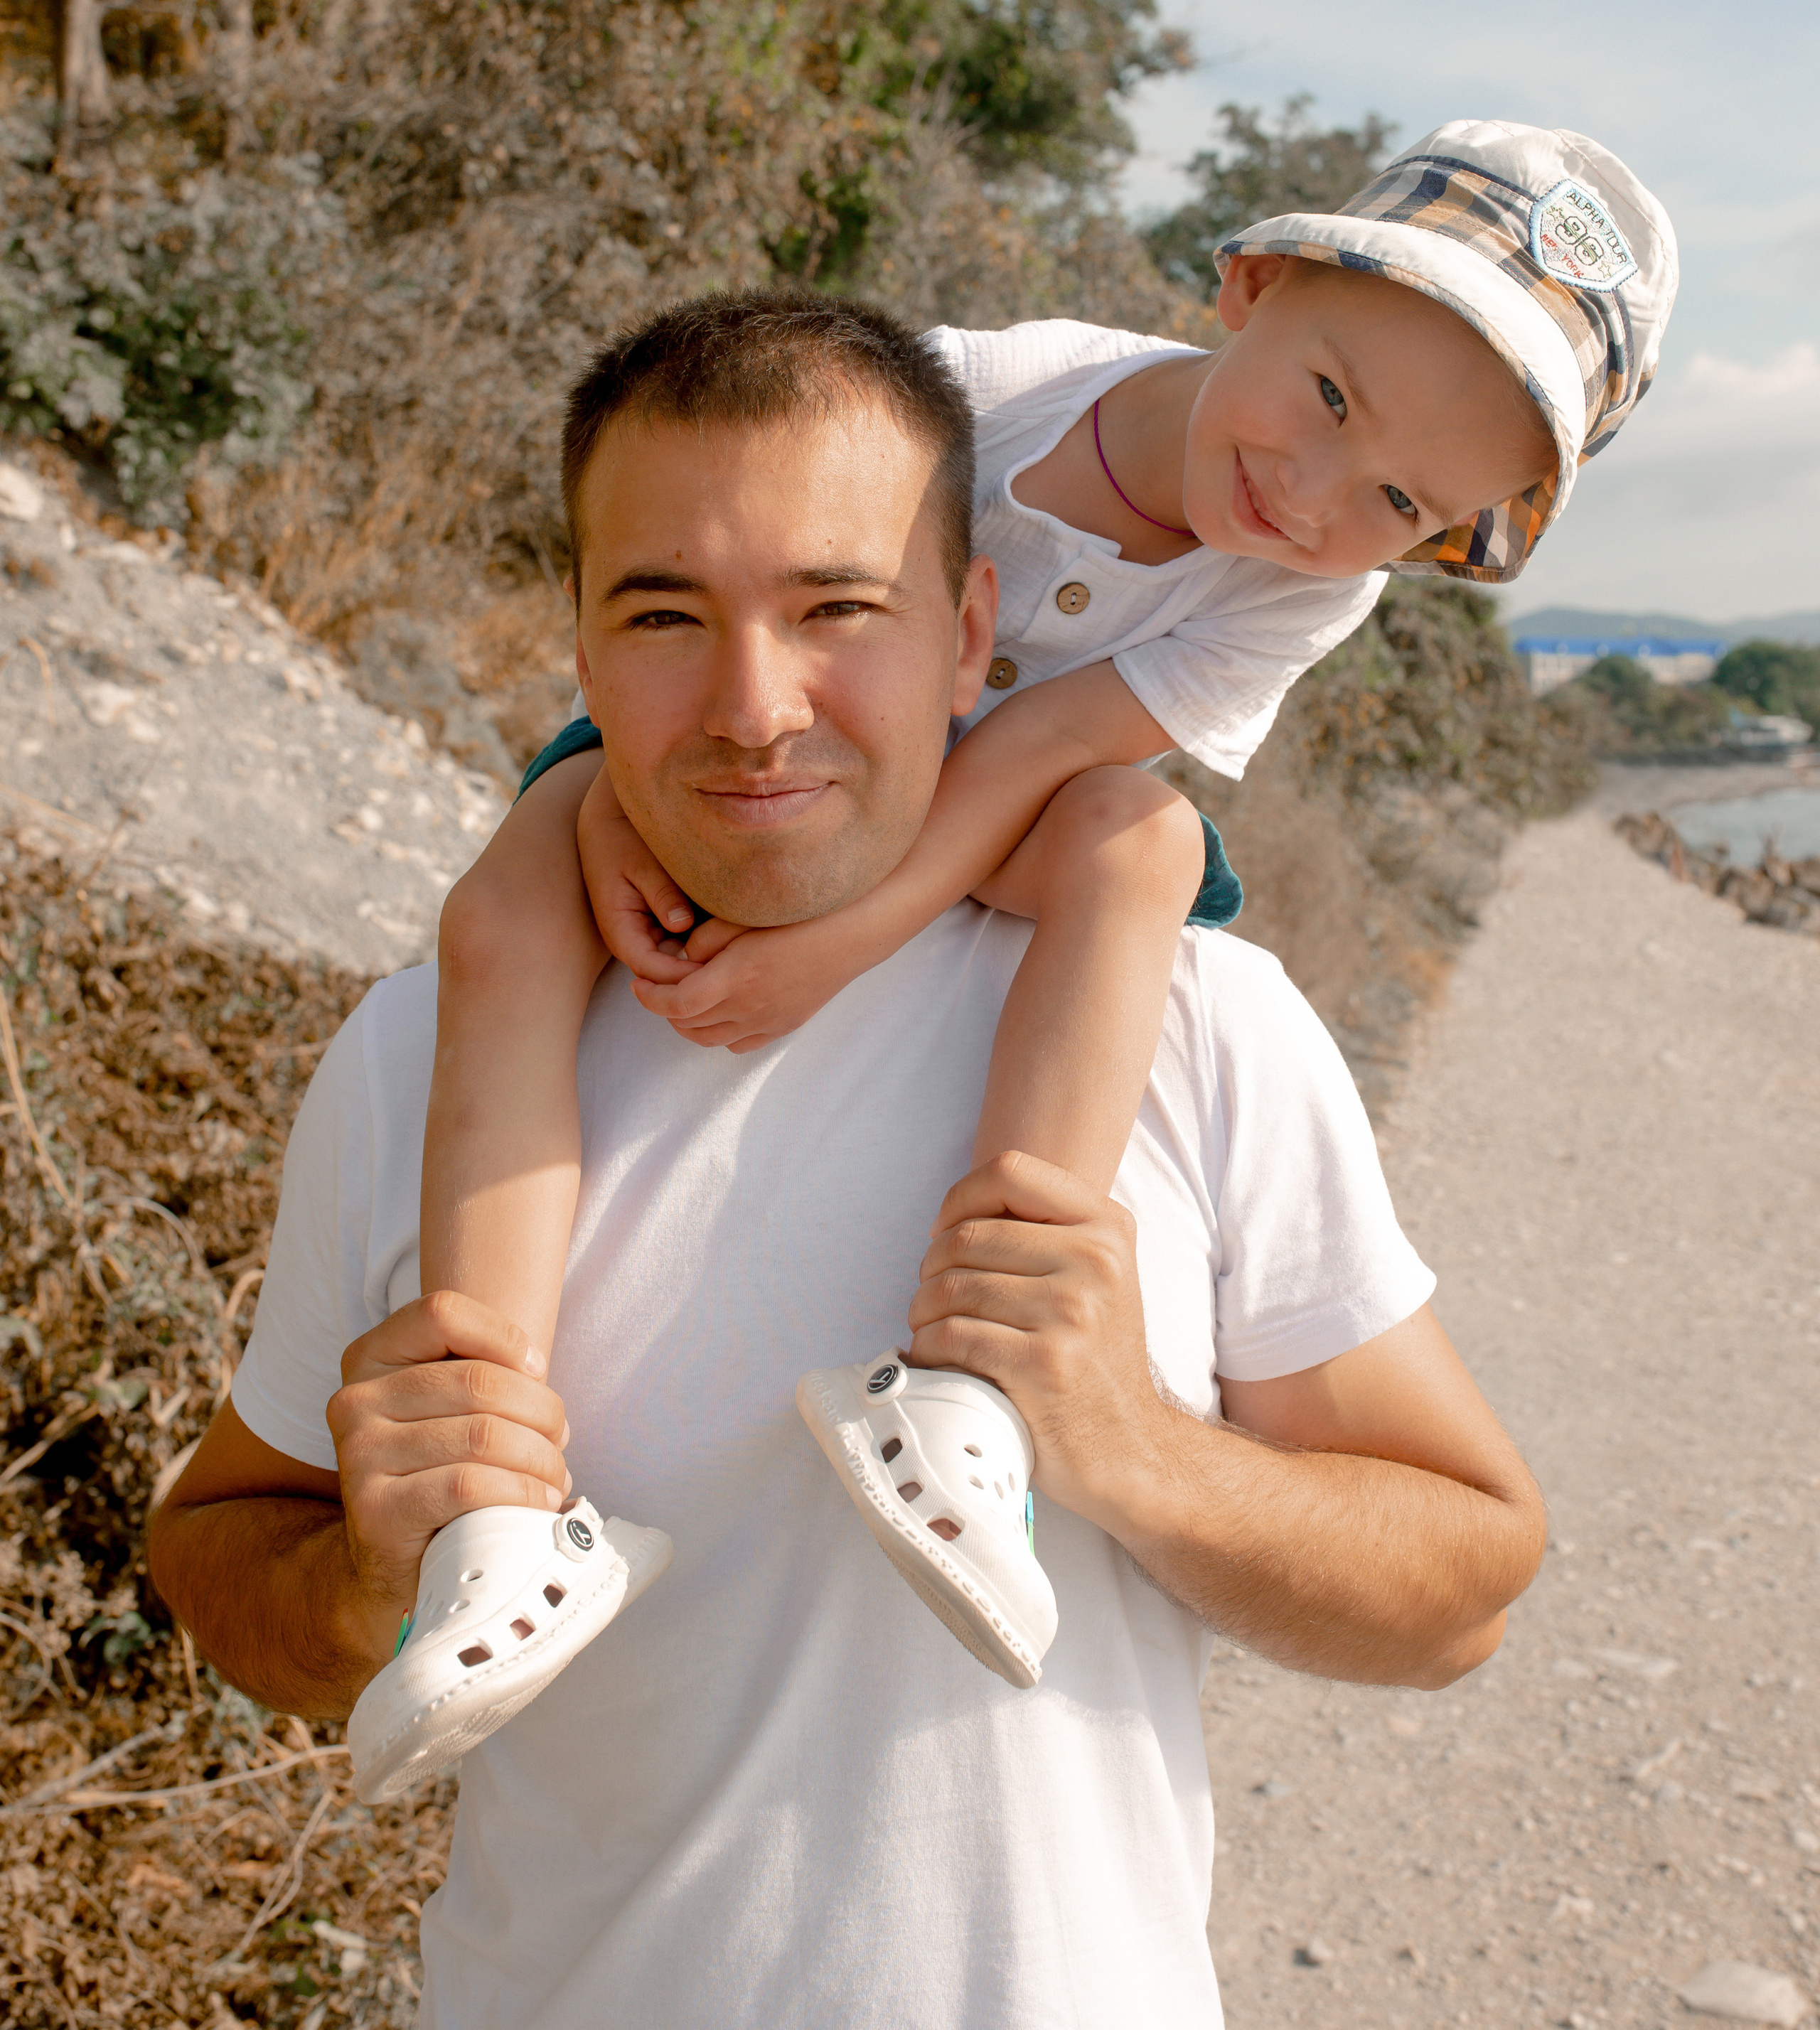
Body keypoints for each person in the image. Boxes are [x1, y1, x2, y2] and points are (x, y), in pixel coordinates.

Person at [155, 287, 1548, 2027]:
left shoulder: (1196, 1027)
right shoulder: (419, 1055)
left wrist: (1129, 1449)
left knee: (1132, 835)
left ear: (967, 630)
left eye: (839, 608)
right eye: (665, 613)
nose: (755, 707)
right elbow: (220, 1553)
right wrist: (372, 1573)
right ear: (578, 652)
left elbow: (1460, 1597)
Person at [343, 121, 1674, 1789]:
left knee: (1143, 841)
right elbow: (765, 582)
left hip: (972, 792)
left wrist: (828, 950)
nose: (1315, 495)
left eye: (1401, 500)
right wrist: (635, 813)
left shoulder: (1307, 593)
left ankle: (971, 1395)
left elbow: (1041, 745)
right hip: (773, 740)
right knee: (506, 913)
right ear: (1248, 282)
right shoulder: (1001, 389)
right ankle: (490, 1502)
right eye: (1329, 397)